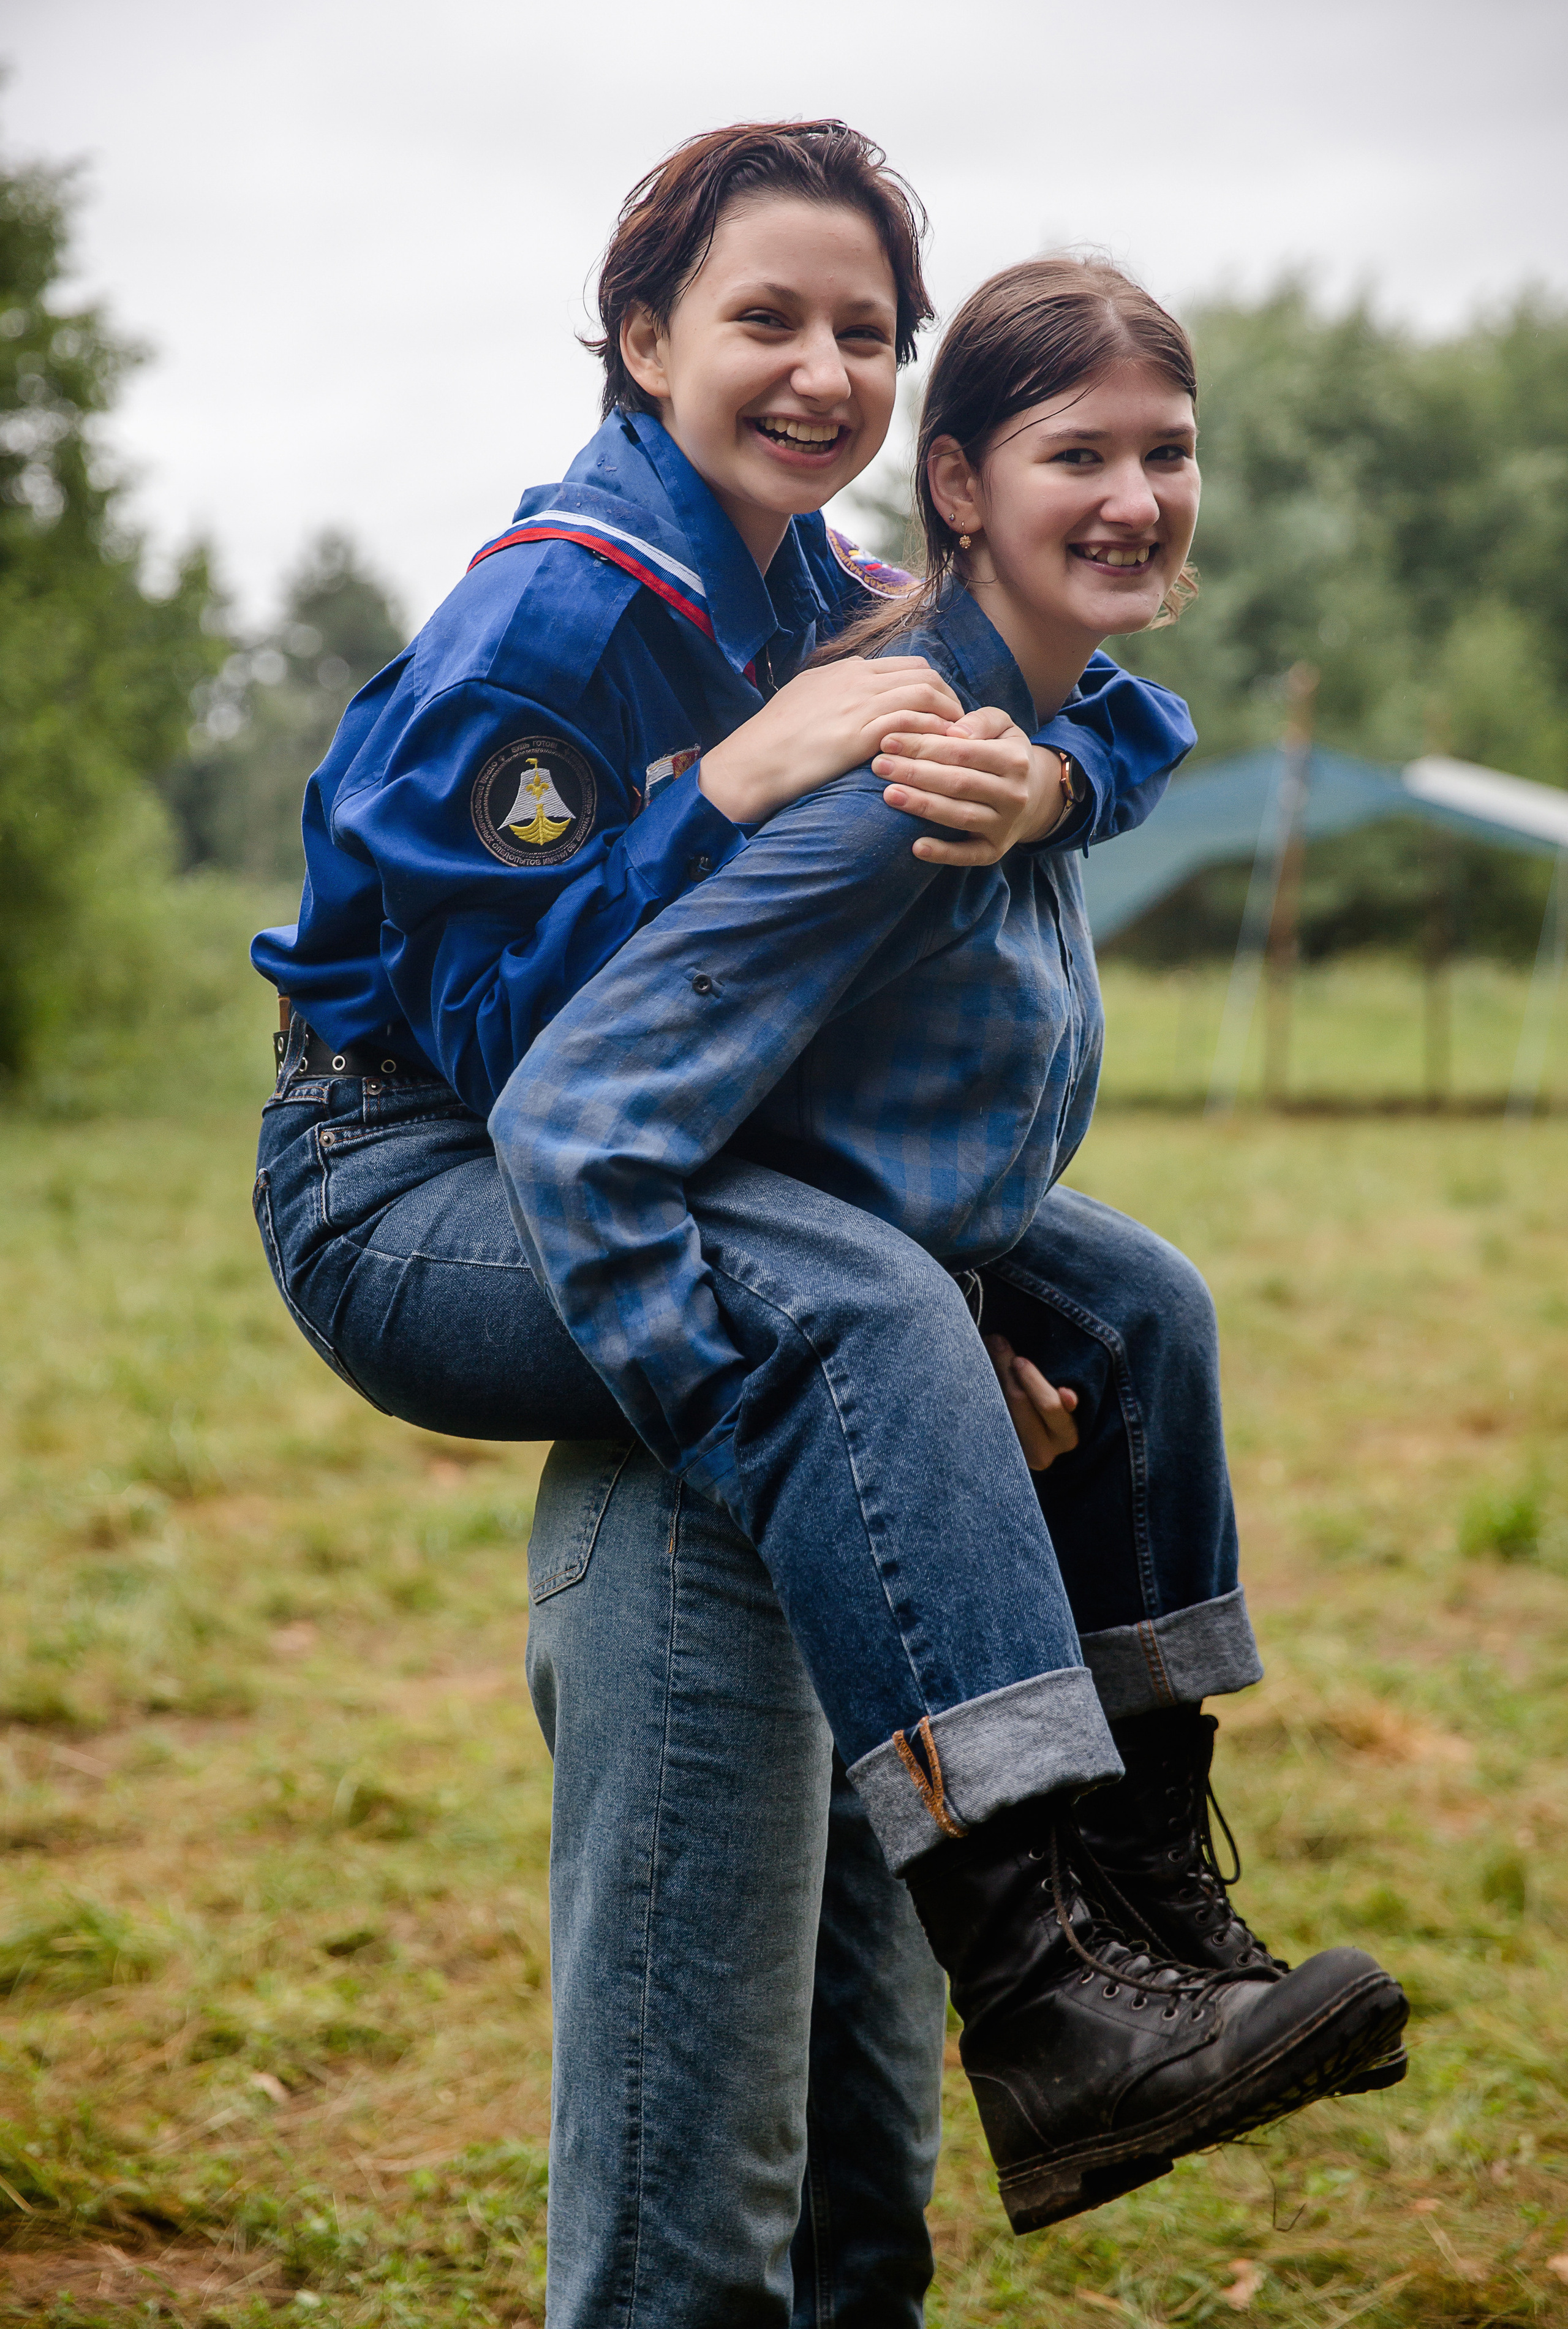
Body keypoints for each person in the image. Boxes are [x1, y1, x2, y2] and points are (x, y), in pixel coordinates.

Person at [491, 254, 1408, 2280]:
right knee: (712, 2187)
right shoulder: (903, 783)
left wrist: (1070, 781)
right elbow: (583, 1116)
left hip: (887, 1293)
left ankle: (1147, 1904)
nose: (1139, 497)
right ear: (965, 485)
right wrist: (746, 1396)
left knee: (1142, 1307)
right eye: (1082, 455)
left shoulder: (1030, 742)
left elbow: (1127, 749)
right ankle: (1053, 1977)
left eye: (1171, 452)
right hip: (718, 1368)